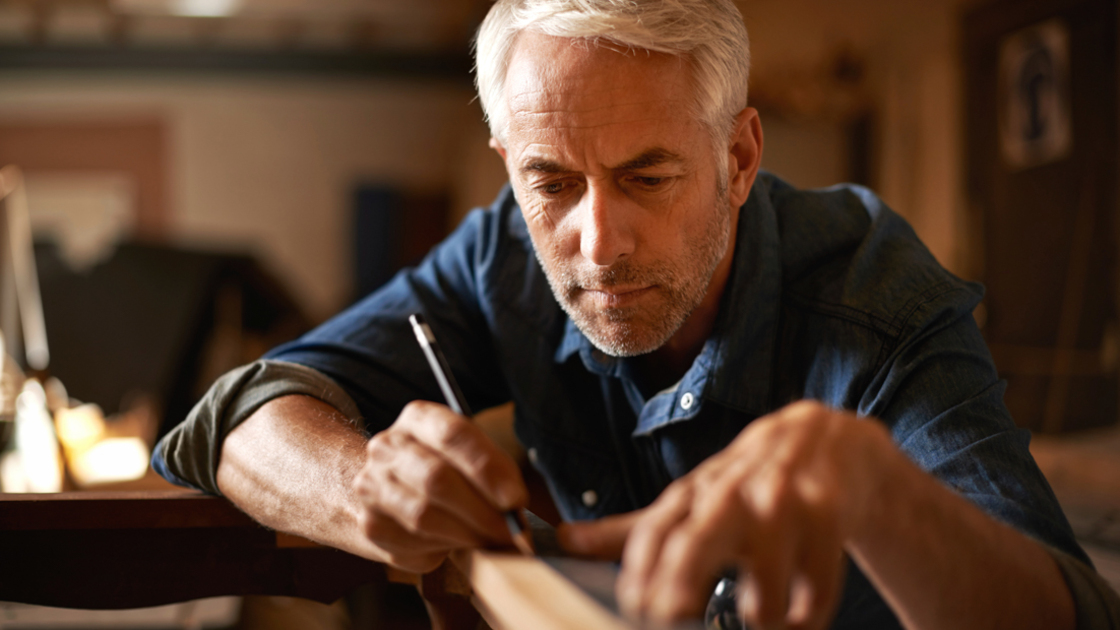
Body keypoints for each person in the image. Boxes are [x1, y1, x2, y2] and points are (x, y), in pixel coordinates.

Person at [152, 1, 1120, 628]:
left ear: (738, 161)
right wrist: (363, 485)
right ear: (508, 166)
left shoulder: (877, 300)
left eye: (647, 175)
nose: (595, 241)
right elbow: (234, 416)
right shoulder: (502, 254)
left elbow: (1069, 615)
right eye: (551, 182)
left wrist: (869, 489)